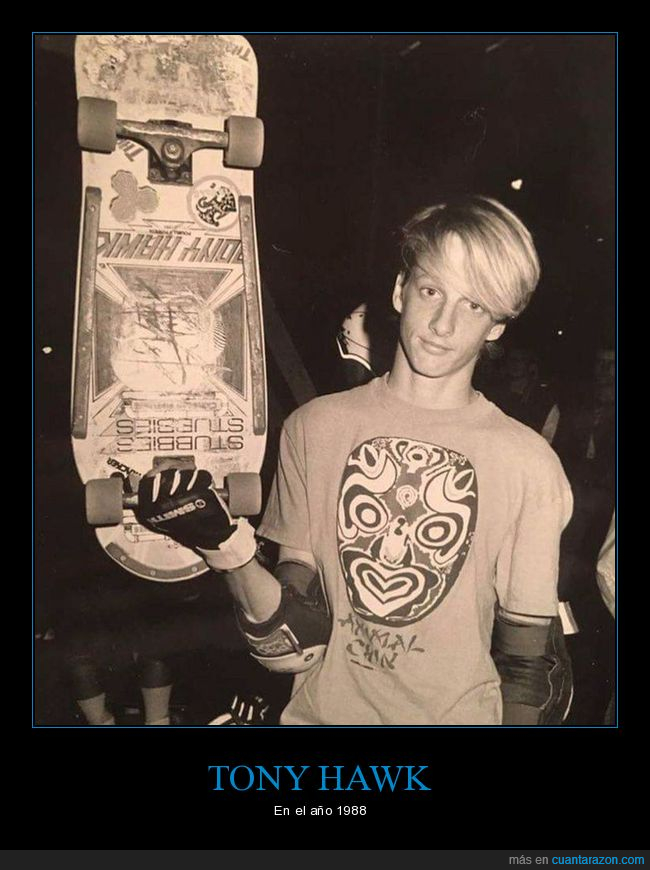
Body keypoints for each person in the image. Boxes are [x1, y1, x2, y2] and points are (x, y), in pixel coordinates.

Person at [134, 195, 574, 726]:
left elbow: (528, 668)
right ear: (399, 291)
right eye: (431, 291)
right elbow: (292, 646)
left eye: (474, 305)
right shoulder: (315, 429)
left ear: (498, 324)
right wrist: (225, 549)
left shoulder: (528, 462)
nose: (442, 323)